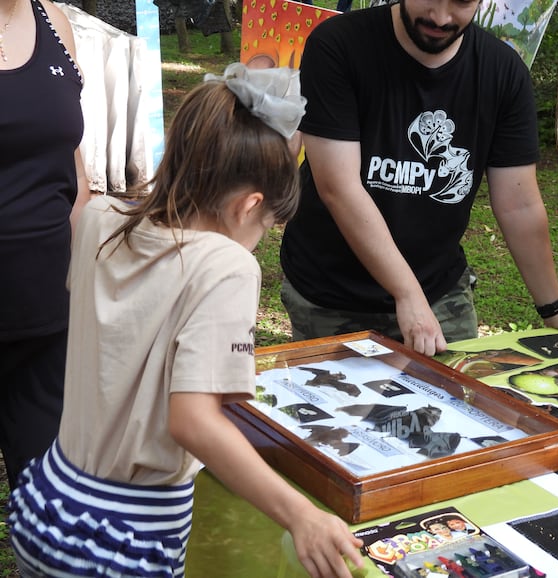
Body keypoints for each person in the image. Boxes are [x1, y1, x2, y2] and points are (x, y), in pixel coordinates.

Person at [8, 64, 363, 578]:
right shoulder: (226, 266)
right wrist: (302, 515)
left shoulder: (99, 220)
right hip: (124, 538)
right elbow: (192, 421)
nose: (259, 238)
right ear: (250, 205)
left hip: (46, 503)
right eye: (265, 225)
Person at [279, 0, 558, 357]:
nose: (440, 17)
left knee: (461, 404)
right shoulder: (338, 44)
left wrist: (553, 309)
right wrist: (407, 294)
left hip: (438, 289)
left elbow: (519, 204)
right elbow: (338, 187)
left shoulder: (503, 72)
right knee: (343, 410)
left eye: (461, 1)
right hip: (332, 292)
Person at [0, 0, 90, 490]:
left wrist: (88, 285)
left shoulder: (52, 21)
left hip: (49, 321)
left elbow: (74, 170)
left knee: (49, 497)